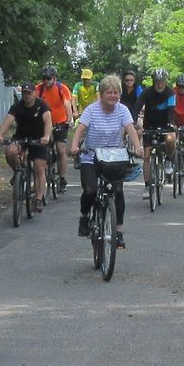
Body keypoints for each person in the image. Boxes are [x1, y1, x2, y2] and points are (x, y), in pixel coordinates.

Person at [69, 73, 138, 249]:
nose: (113, 96)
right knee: (90, 190)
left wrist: (138, 147)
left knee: (118, 191)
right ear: (101, 94)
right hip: (91, 156)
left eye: (116, 93)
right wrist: (75, 146)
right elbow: (80, 129)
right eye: (109, 92)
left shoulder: (122, 110)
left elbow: (130, 129)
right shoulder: (92, 110)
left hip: (114, 157)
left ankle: (118, 232)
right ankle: (84, 217)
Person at [0, 81, 53, 217]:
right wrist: (0, 135)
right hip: (21, 137)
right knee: (10, 151)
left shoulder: (42, 105)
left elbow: (48, 122)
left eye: (29, 93)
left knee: (39, 167)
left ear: (35, 93)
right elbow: (8, 120)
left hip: (39, 139)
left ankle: (38, 199)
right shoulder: (17, 106)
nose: (26, 96)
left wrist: (46, 136)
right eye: (24, 93)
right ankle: (18, 172)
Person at [133, 68, 179, 186]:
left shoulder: (170, 93)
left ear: (165, 81)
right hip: (149, 125)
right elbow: (137, 106)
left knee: (171, 139)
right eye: (157, 82)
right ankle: (147, 184)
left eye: (162, 81)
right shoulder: (147, 92)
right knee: (147, 155)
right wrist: (134, 121)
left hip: (166, 124)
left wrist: (170, 124)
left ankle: (168, 160)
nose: (159, 84)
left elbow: (171, 110)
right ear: (153, 82)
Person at [34, 66, 75, 194]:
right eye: (44, 78)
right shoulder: (39, 89)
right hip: (44, 123)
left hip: (60, 122)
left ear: (54, 78)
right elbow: (33, 103)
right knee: (41, 146)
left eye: (49, 78)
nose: (46, 81)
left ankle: (62, 179)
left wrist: (70, 119)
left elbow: (67, 104)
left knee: (60, 149)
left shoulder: (62, 88)